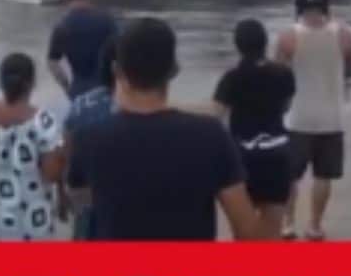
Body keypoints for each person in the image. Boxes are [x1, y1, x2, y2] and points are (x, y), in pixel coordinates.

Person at [67, 18, 260, 240]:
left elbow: (82, 208)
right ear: (174, 70)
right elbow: (247, 231)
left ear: (117, 71)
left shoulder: (88, 140)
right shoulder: (211, 136)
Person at [277, 0, 351, 240]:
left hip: (297, 118)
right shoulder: (344, 35)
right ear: (326, 4)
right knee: (323, 176)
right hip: (332, 118)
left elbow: (278, 76)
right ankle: (314, 225)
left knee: (291, 176)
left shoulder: (288, 36)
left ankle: (288, 224)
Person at [0, 53, 64, 241]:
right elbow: (51, 174)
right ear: (32, 83)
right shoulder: (43, 122)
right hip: (32, 223)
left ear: (0, 83)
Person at [213, 20, 297, 238]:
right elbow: (286, 106)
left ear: (237, 45)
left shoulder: (232, 78)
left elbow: (216, 115)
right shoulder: (283, 73)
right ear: (265, 42)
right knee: (273, 228)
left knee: (244, 232)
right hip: (277, 153)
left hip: (243, 158)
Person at [63, 39, 117, 240]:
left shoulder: (80, 105)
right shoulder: (143, 110)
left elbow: (68, 156)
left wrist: (65, 194)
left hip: (87, 203)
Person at [47, 0, 118, 100]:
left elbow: (52, 62)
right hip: (106, 91)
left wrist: (66, 87)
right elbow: (122, 54)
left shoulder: (62, 26)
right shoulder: (107, 20)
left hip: (78, 92)